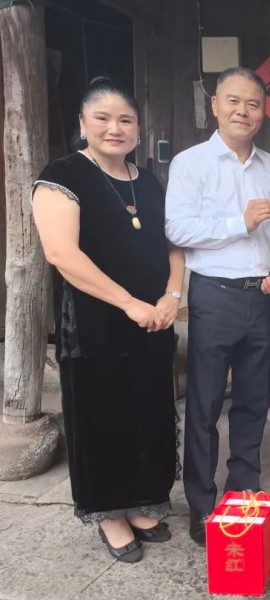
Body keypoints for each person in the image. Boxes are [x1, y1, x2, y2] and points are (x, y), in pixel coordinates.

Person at [32, 77, 183, 563]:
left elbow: (174, 243)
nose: (114, 128)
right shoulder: (63, 175)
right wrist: (128, 302)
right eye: (102, 118)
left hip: (153, 320)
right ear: (83, 124)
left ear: (137, 128)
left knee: (145, 411)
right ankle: (108, 513)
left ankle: (140, 502)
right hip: (95, 324)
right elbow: (61, 253)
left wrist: (171, 295)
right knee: (102, 417)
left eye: (125, 120)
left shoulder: (149, 181)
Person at [165, 67, 270, 546]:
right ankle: (201, 502)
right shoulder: (191, 163)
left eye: (253, 104)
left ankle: (243, 490)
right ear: (215, 105)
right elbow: (178, 229)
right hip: (213, 295)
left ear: (264, 112)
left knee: (254, 399)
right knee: (204, 402)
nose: (243, 111)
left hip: (262, 295)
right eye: (233, 101)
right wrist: (240, 222)